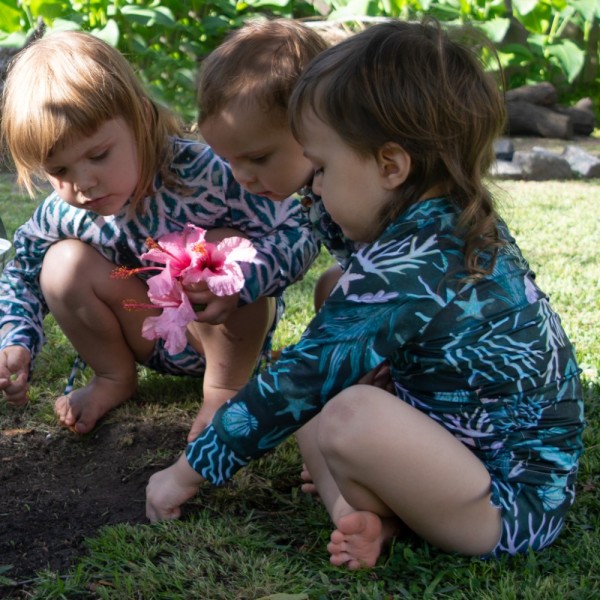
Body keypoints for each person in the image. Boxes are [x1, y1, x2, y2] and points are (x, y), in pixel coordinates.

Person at [146, 19, 584, 569]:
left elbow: (300, 380)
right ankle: (368, 515)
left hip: (506, 504)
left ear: (390, 165)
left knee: (340, 405)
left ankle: (376, 506)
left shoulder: (415, 261)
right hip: (454, 449)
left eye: (323, 168)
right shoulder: (436, 219)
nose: (316, 186)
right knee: (324, 380)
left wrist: (186, 471)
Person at [0, 30, 318, 436]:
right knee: (60, 266)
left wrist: (244, 282)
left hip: (224, 334)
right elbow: (22, 272)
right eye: (58, 171)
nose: (83, 184)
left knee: (216, 247)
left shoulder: (207, 173)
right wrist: (15, 341)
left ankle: (223, 391)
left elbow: (298, 229)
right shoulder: (64, 211)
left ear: (139, 119)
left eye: (98, 155)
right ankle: (114, 378)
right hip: (146, 334)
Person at [197, 18, 357, 313]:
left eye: (258, 158)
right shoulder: (315, 184)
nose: (242, 176)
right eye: (228, 160)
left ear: (313, 125)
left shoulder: (351, 186)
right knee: (332, 285)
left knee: (337, 287)